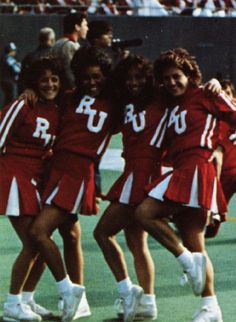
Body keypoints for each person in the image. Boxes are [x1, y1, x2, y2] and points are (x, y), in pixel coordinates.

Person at [134, 48, 236, 322]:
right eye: (166, 78)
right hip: (182, 170)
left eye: (177, 76)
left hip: (197, 169)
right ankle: (210, 307)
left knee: (144, 213)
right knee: (195, 244)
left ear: (189, 75)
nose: (171, 82)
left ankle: (186, 262)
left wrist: (220, 92)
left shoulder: (205, 95)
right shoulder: (169, 104)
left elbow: (233, 115)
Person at [26, 46, 113, 322]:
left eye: (97, 77)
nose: (91, 82)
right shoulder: (69, 97)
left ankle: (69, 291)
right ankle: (80, 300)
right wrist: (29, 93)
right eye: (86, 77)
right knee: (71, 235)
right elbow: (45, 94)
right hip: (57, 170)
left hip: (77, 172)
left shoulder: (114, 102)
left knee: (39, 231)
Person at [94, 55, 164, 322]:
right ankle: (148, 301)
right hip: (131, 171)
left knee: (103, 233)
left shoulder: (159, 97)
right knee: (136, 242)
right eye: (129, 78)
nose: (134, 83)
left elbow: (186, 89)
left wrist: (214, 82)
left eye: (139, 77)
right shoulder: (123, 103)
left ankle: (128, 290)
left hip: (143, 174)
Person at [0, 57, 63, 322]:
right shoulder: (23, 104)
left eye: (54, 79)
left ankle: (26, 299)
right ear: (33, 83)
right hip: (13, 177)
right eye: (44, 80)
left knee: (41, 241)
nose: (50, 84)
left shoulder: (57, 110)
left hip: (35, 181)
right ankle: (12, 303)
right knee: (33, 242)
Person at [205, 79, 236, 238]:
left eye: (228, 95)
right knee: (217, 206)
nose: (226, 99)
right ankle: (210, 225)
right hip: (226, 171)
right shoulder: (215, 121)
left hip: (231, 169)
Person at [52, 12, 88, 90]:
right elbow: (70, 72)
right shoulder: (70, 46)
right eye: (85, 25)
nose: (87, 28)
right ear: (77, 27)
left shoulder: (58, 43)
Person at [19, 27, 56, 92]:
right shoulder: (56, 57)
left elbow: (22, 80)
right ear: (52, 40)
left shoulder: (29, 57)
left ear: (39, 39)